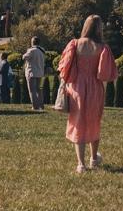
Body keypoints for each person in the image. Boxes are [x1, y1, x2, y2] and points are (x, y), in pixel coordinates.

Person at [58, 15, 117, 173]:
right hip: (95, 88)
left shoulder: (74, 44)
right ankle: (93, 159)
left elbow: (64, 67)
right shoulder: (102, 47)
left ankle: (80, 164)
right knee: (94, 122)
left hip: (77, 86)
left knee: (78, 123)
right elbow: (105, 73)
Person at [23, 39, 47, 109]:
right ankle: (41, 105)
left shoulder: (31, 50)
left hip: (32, 72)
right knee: (38, 89)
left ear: (32, 42)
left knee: (32, 90)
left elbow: (24, 57)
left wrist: (27, 50)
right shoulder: (42, 50)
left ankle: (35, 106)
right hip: (40, 72)